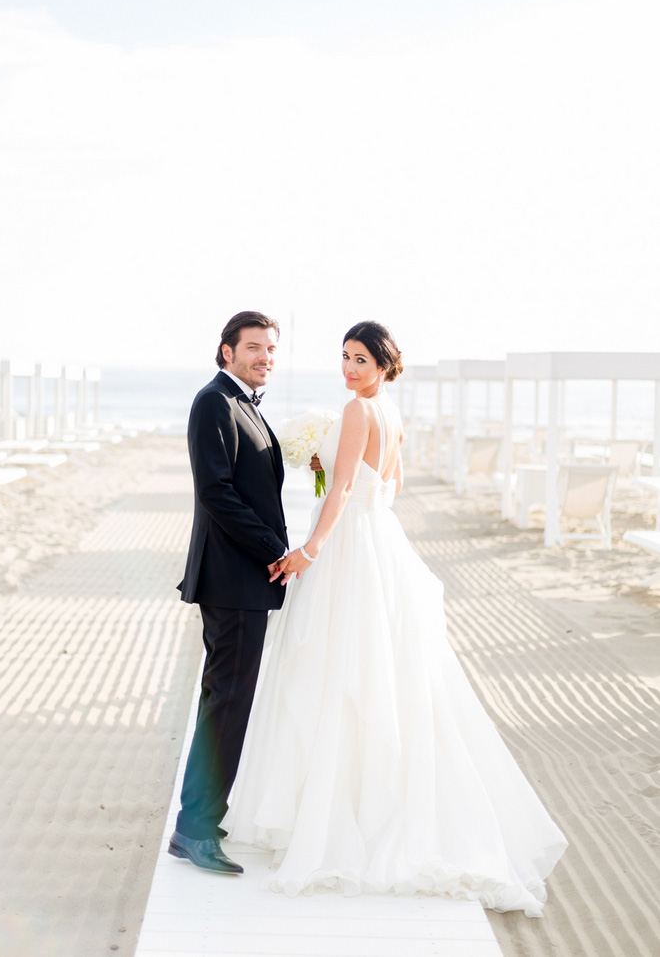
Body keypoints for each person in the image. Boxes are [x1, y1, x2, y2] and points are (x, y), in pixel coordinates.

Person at [223, 320, 567, 915]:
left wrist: (311, 548)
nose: (350, 369)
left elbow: (342, 490)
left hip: (351, 544)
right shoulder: (392, 412)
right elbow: (392, 483)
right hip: (381, 539)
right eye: (346, 358)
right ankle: (371, 798)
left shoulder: (357, 413)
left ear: (384, 364)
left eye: (361, 360)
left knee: (335, 666)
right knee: (379, 666)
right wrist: (340, 481)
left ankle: (339, 813)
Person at [170, 311, 288, 874]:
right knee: (226, 704)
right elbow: (215, 492)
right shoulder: (213, 403)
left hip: (245, 577)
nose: (264, 357)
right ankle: (194, 828)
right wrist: (272, 548)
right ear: (226, 352)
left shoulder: (246, 405)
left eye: (270, 349)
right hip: (234, 578)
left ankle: (199, 820)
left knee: (226, 702)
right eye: (253, 348)